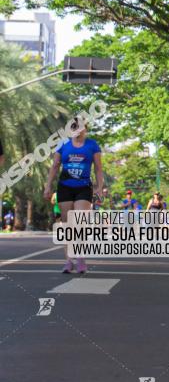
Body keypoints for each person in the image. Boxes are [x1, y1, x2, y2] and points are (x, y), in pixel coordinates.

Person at [43, 116, 103, 274]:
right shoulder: (63, 145)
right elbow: (55, 166)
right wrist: (48, 186)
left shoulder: (92, 145)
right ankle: (69, 260)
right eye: (74, 126)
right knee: (67, 225)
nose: (77, 129)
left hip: (83, 187)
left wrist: (99, 187)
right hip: (65, 187)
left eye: (80, 126)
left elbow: (98, 168)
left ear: (85, 129)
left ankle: (81, 258)